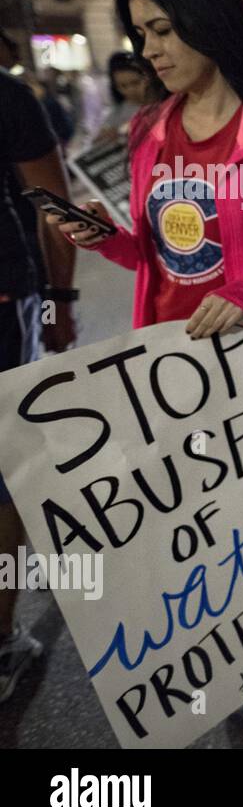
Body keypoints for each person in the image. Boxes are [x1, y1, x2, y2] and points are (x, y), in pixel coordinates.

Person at [47, 0, 243, 719]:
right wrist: (98, 235)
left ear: (210, 23)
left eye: (164, 30)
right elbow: (150, 251)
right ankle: (232, 648)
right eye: (141, 35)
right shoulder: (145, 135)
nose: (150, 52)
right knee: (198, 529)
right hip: (167, 370)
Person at [0, 70, 79, 704]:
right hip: (7, 299)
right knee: (6, 466)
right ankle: (1, 644)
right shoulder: (6, 93)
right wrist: (57, 306)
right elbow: (56, 206)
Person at [94, 51, 162, 143]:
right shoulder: (116, 115)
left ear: (147, 78)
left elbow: (178, 152)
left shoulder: (166, 104)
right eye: (123, 86)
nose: (130, 90)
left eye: (135, 82)